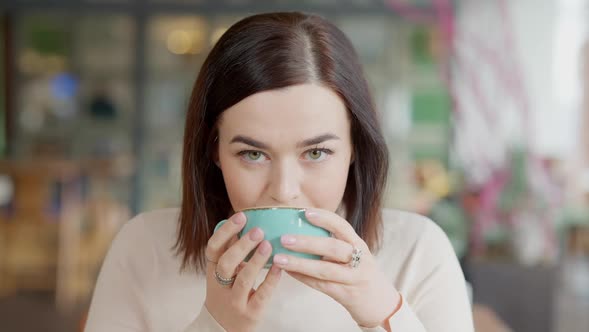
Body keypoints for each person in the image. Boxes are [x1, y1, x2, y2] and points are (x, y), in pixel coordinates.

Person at [84, 12, 474, 332]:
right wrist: (214, 324)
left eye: (316, 152)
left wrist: (385, 312)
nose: (284, 191)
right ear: (214, 151)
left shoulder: (418, 251)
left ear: (355, 148)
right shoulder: (144, 248)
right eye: (253, 154)